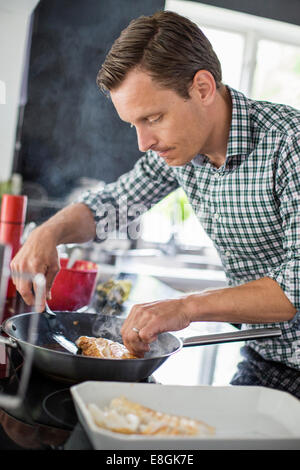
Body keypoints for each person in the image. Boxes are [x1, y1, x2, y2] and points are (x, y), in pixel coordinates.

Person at [11, 11, 300, 396]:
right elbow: (112, 204)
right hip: (263, 356)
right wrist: (48, 233)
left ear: (202, 88)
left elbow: (295, 288)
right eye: (134, 124)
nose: (143, 142)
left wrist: (185, 307)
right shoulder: (183, 152)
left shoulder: (289, 145)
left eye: (154, 118)